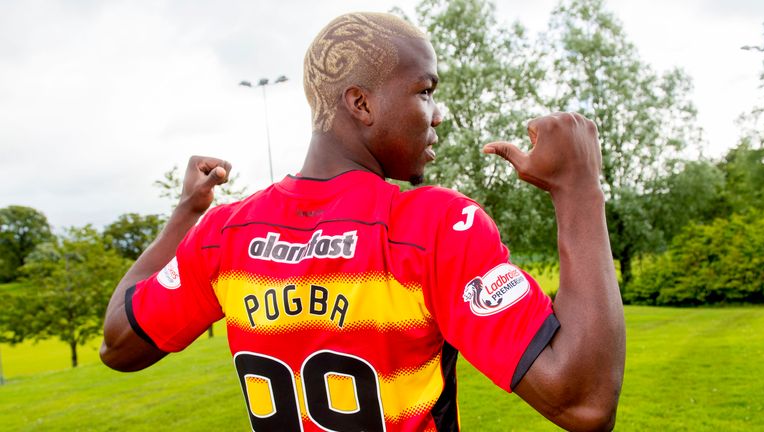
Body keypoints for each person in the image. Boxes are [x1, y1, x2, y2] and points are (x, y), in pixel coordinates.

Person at [100, 12, 625, 432]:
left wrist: (187, 214)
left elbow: (119, 344)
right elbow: (583, 401)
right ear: (361, 103)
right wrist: (578, 188)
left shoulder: (224, 235)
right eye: (425, 91)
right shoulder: (432, 226)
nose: (437, 114)